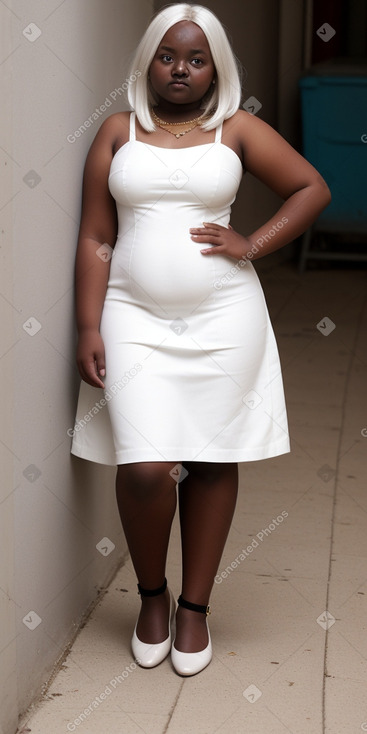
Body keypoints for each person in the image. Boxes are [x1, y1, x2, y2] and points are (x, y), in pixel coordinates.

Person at [70, 3, 331, 677]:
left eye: (195, 58)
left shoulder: (235, 129)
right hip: (132, 317)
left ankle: (193, 609)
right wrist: (89, 324)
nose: (179, 69)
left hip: (223, 319)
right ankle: (151, 596)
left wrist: (252, 243)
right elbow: (97, 237)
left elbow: (310, 187)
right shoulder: (116, 131)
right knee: (147, 467)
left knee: (213, 458)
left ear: (215, 67)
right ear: (146, 62)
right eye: (167, 56)